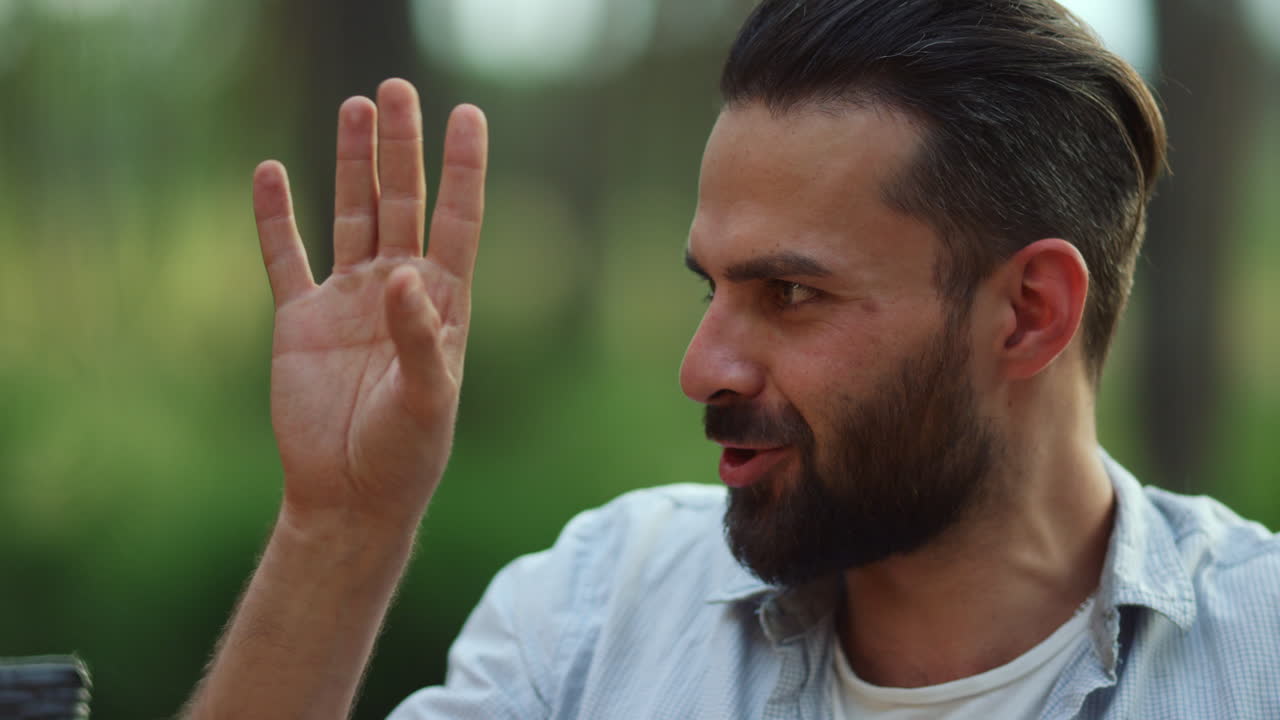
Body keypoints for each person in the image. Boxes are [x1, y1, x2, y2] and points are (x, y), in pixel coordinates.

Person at [183, 1, 1280, 718]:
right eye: (712, 287)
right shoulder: (591, 616)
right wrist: (337, 529)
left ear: (1027, 314)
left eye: (788, 294)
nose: (701, 365)